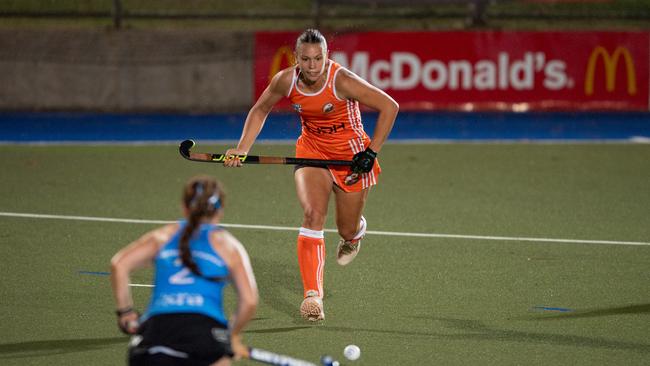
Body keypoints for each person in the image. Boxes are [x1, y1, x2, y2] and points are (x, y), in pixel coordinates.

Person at [224, 29, 398, 321]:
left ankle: (355, 234)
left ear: (327, 56)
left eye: (318, 58)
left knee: (346, 229)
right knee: (312, 214)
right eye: (306, 59)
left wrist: (371, 152)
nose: (313, 65)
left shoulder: (341, 80)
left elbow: (389, 106)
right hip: (312, 151)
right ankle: (312, 296)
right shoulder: (286, 80)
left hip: (350, 157)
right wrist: (242, 148)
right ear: (297, 59)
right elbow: (260, 109)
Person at [110, 175, 258, 366]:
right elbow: (249, 301)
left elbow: (119, 264)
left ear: (184, 206)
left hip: (154, 334)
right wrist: (232, 336)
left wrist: (126, 312)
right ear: (220, 210)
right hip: (205, 335)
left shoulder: (162, 236)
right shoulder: (228, 246)